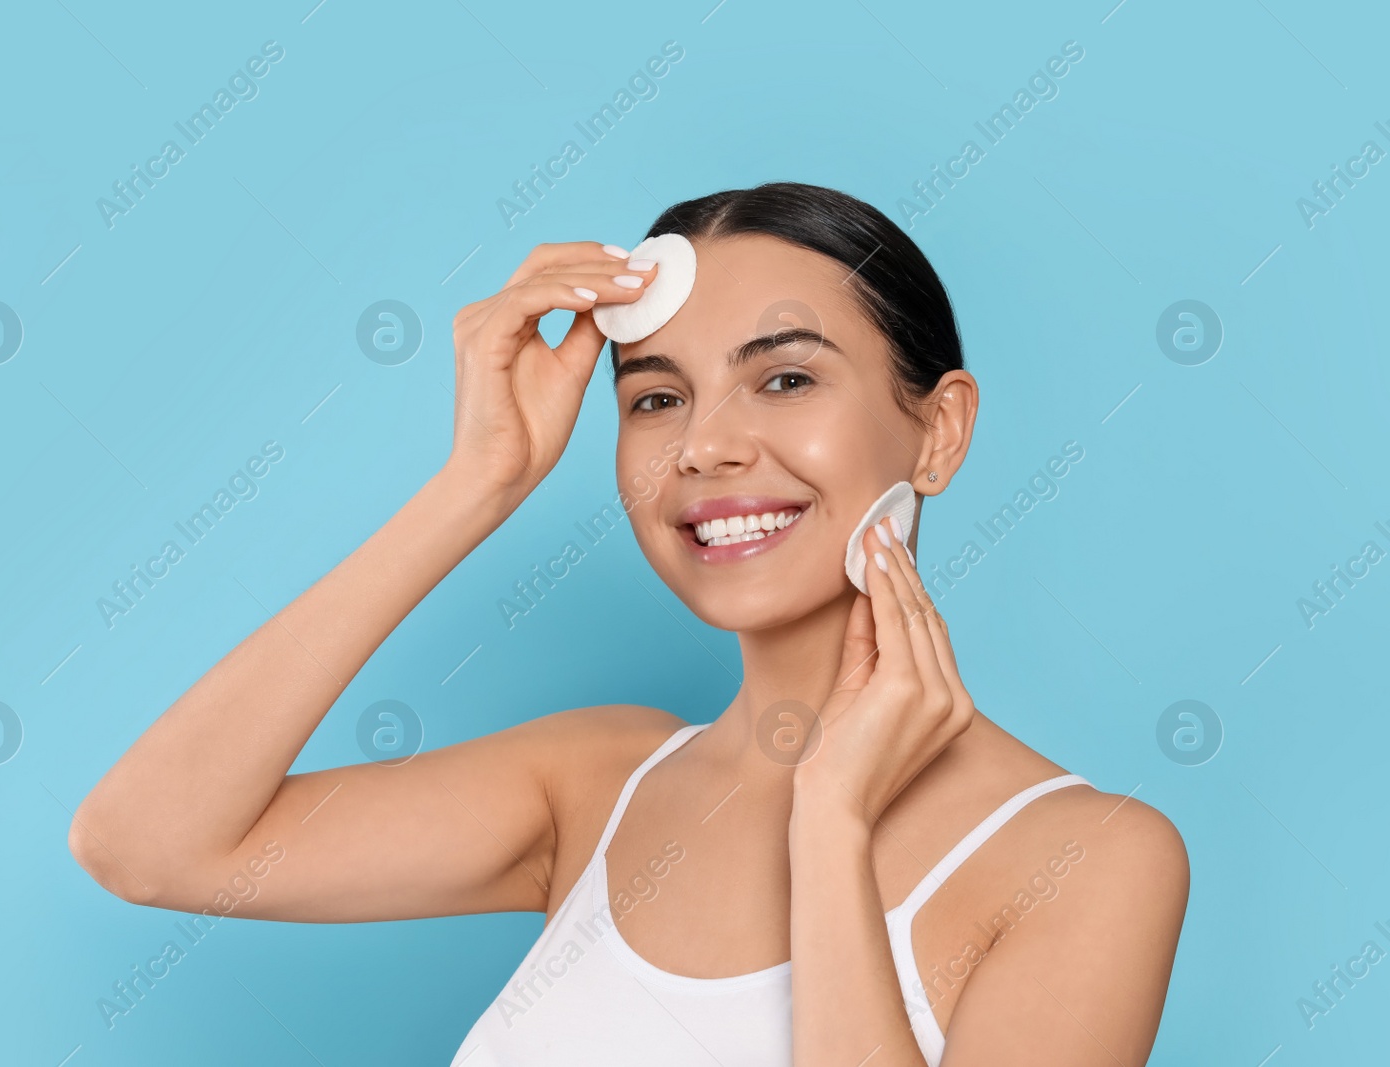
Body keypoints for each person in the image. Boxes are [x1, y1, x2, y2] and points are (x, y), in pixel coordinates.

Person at [70, 181, 1189, 1065]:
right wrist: (476, 484)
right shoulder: (596, 779)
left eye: (785, 378)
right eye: (656, 398)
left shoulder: (1087, 861)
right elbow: (148, 844)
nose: (703, 446)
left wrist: (831, 821)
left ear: (938, 433)